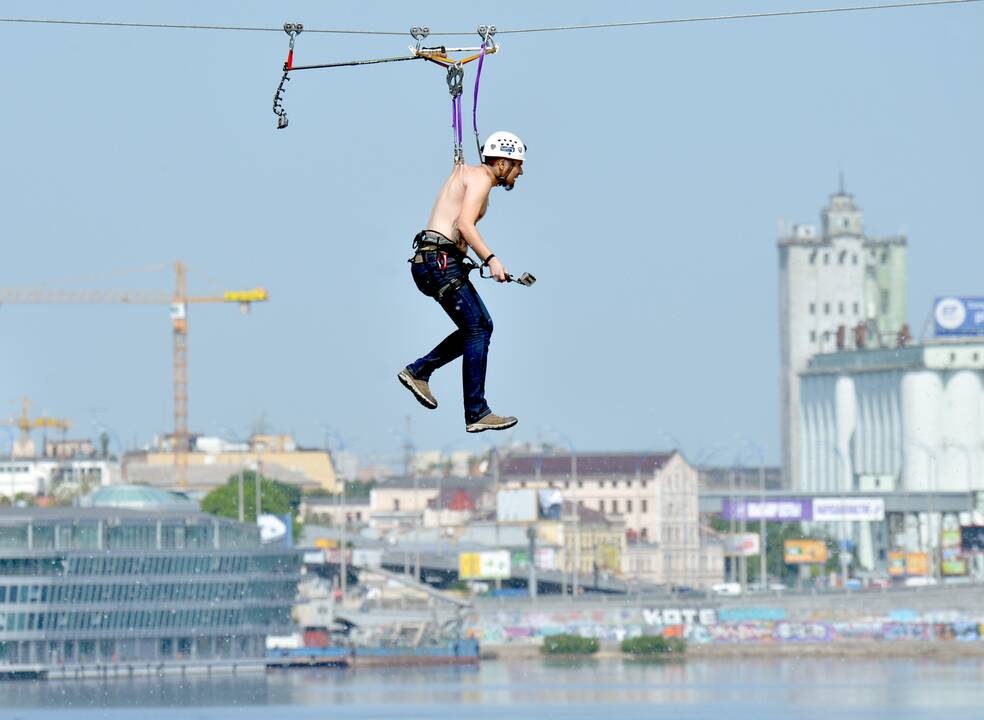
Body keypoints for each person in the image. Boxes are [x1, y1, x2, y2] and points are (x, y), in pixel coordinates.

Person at [398, 131, 526, 433]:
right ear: (503, 162)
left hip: (433, 262)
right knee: (479, 327)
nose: (520, 173)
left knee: (478, 327)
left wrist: (466, 257)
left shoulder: (466, 173)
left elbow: (457, 227)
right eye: (518, 165)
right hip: (437, 262)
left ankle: (420, 371)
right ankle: (475, 410)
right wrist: (492, 259)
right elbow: (464, 225)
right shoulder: (480, 178)